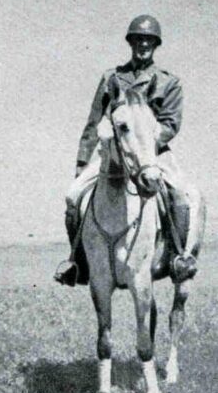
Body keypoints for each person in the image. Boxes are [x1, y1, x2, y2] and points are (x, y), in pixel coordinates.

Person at [55, 15, 201, 286]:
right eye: (137, 39)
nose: (142, 44)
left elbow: (170, 123)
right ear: (130, 43)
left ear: (155, 45)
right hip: (111, 152)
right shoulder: (111, 78)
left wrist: (144, 146)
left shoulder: (169, 82)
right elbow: (93, 121)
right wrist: (81, 162)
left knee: (181, 194)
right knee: (73, 195)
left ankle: (177, 257)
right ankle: (78, 262)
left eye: (148, 40)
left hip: (153, 153)